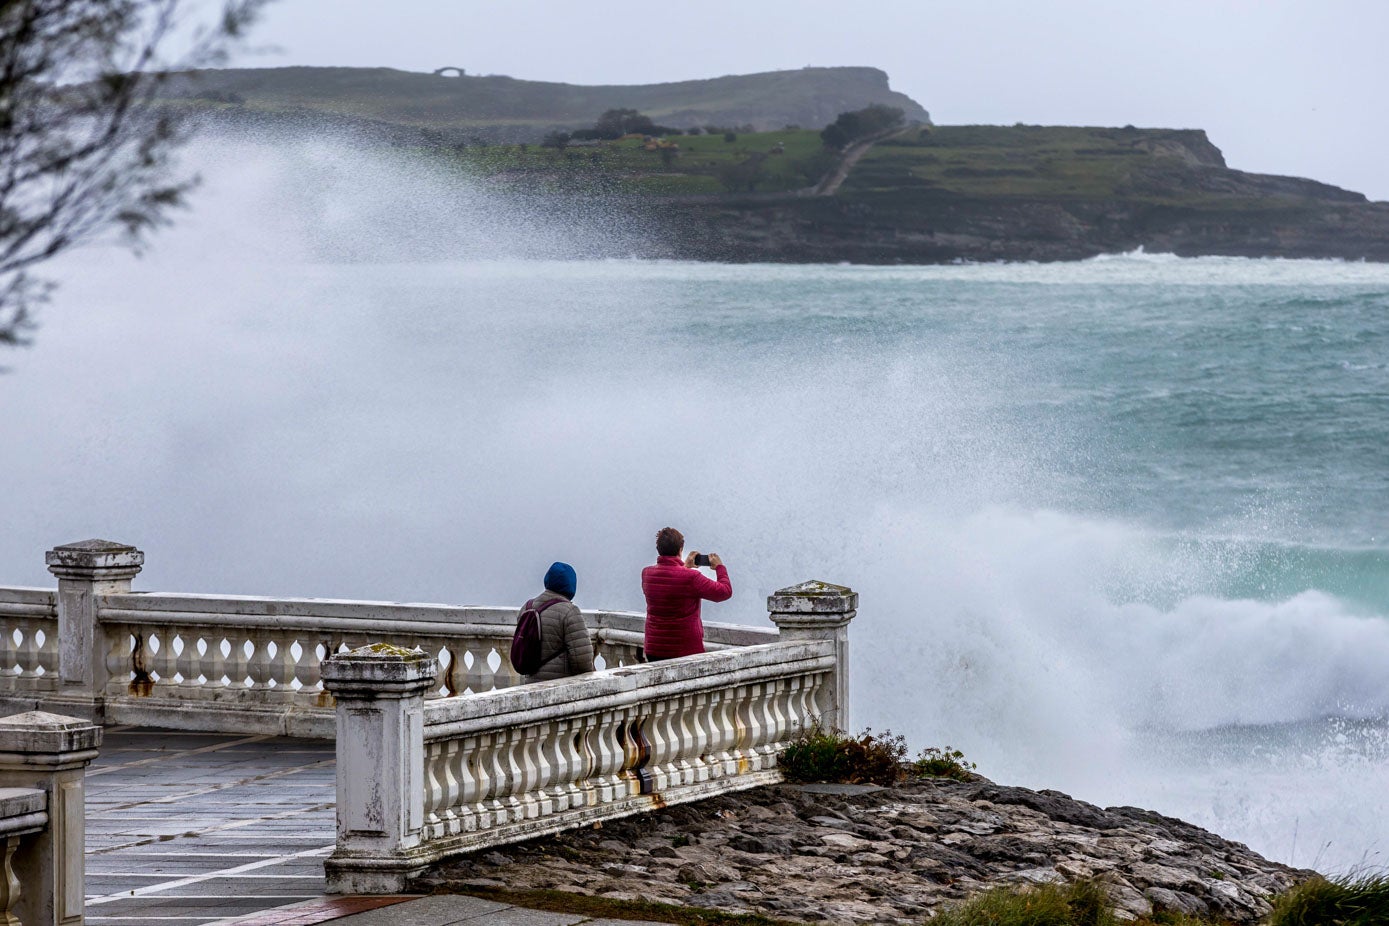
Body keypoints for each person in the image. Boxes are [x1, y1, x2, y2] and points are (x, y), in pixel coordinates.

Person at [641, 527, 732, 660]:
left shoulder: (647, 574)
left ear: (659, 549)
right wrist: (719, 567)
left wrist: (684, 567)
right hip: (684, 651)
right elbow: (724, 592)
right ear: (680, 549)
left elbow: (671, 584)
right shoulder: (691, 578)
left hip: (654, 649)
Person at [520, 561, 594, 683]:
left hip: (528, 684)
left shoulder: (527, 607)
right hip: (559, 688)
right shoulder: (570, 612)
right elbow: (583, 663)